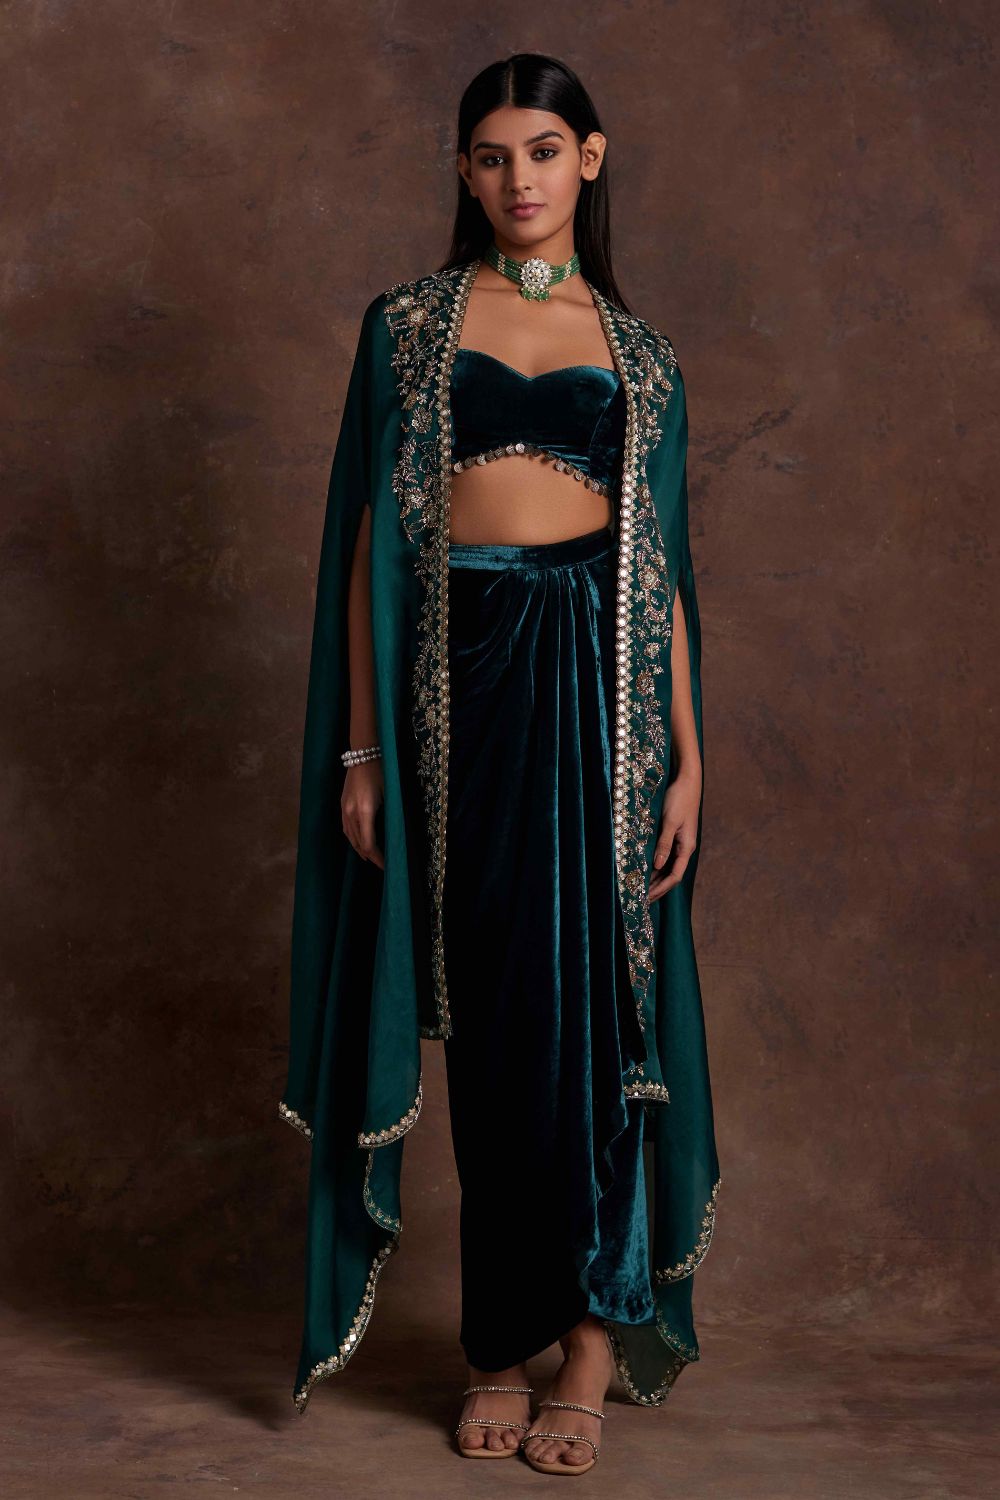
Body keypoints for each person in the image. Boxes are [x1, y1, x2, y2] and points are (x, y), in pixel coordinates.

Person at [278, 52, 721, 1477]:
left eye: (541, 150)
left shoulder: (642, 353)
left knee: (592, 1014)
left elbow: (664, 578)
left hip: (603, 689)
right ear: (464, 174)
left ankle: (586, 1341)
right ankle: (494, 1343)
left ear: (590, 158)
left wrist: (687, 762)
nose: (517, 178)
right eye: (489, 155)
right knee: (487, 1012)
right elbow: (369, 545)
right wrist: (362, 748)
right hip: (454, 685)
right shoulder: (408, 325)